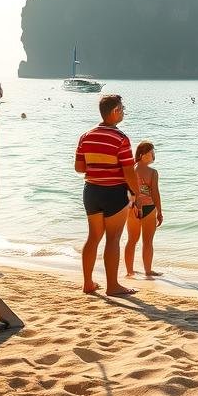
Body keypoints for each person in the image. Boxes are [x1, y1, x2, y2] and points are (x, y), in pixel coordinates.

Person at [74, 94, 141, 297]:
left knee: (93, 237)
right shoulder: (120, 138)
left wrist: (96, 167)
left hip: (91, 191)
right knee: (113, 238)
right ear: (115, 111)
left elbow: (79, 168)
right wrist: (136, 193)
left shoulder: (86, 135)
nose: (124, 111)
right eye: (122, 108)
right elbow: (129, 171)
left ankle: (88, 283)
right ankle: (113, 286)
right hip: (113, 192)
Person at [125, 141, 163, 279]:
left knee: (132, 240)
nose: (154, 155)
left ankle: (130, 271)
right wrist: (160, 211)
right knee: (147, 241)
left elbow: (128, 190)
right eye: (151, 152)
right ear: (142, 155)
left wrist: (134, 204)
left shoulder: (131, 169)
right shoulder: (153, 172)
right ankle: (147, 271)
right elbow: (155, 193)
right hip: (148, 208)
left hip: (132, 207)